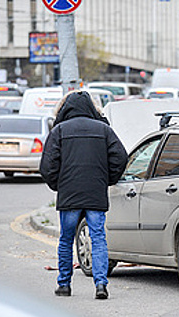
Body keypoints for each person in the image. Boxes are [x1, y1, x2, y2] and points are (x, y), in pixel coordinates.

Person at [40, 90, 128, 300]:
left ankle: (64, 284)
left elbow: (47, 165)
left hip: (69, 194)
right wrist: (107, 180)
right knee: (98, 239)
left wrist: (58, 184)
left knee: (66, 240)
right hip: (95, 193)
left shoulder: (60, 130)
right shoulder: (103, 129)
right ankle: (100, 285)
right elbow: (121, 157)